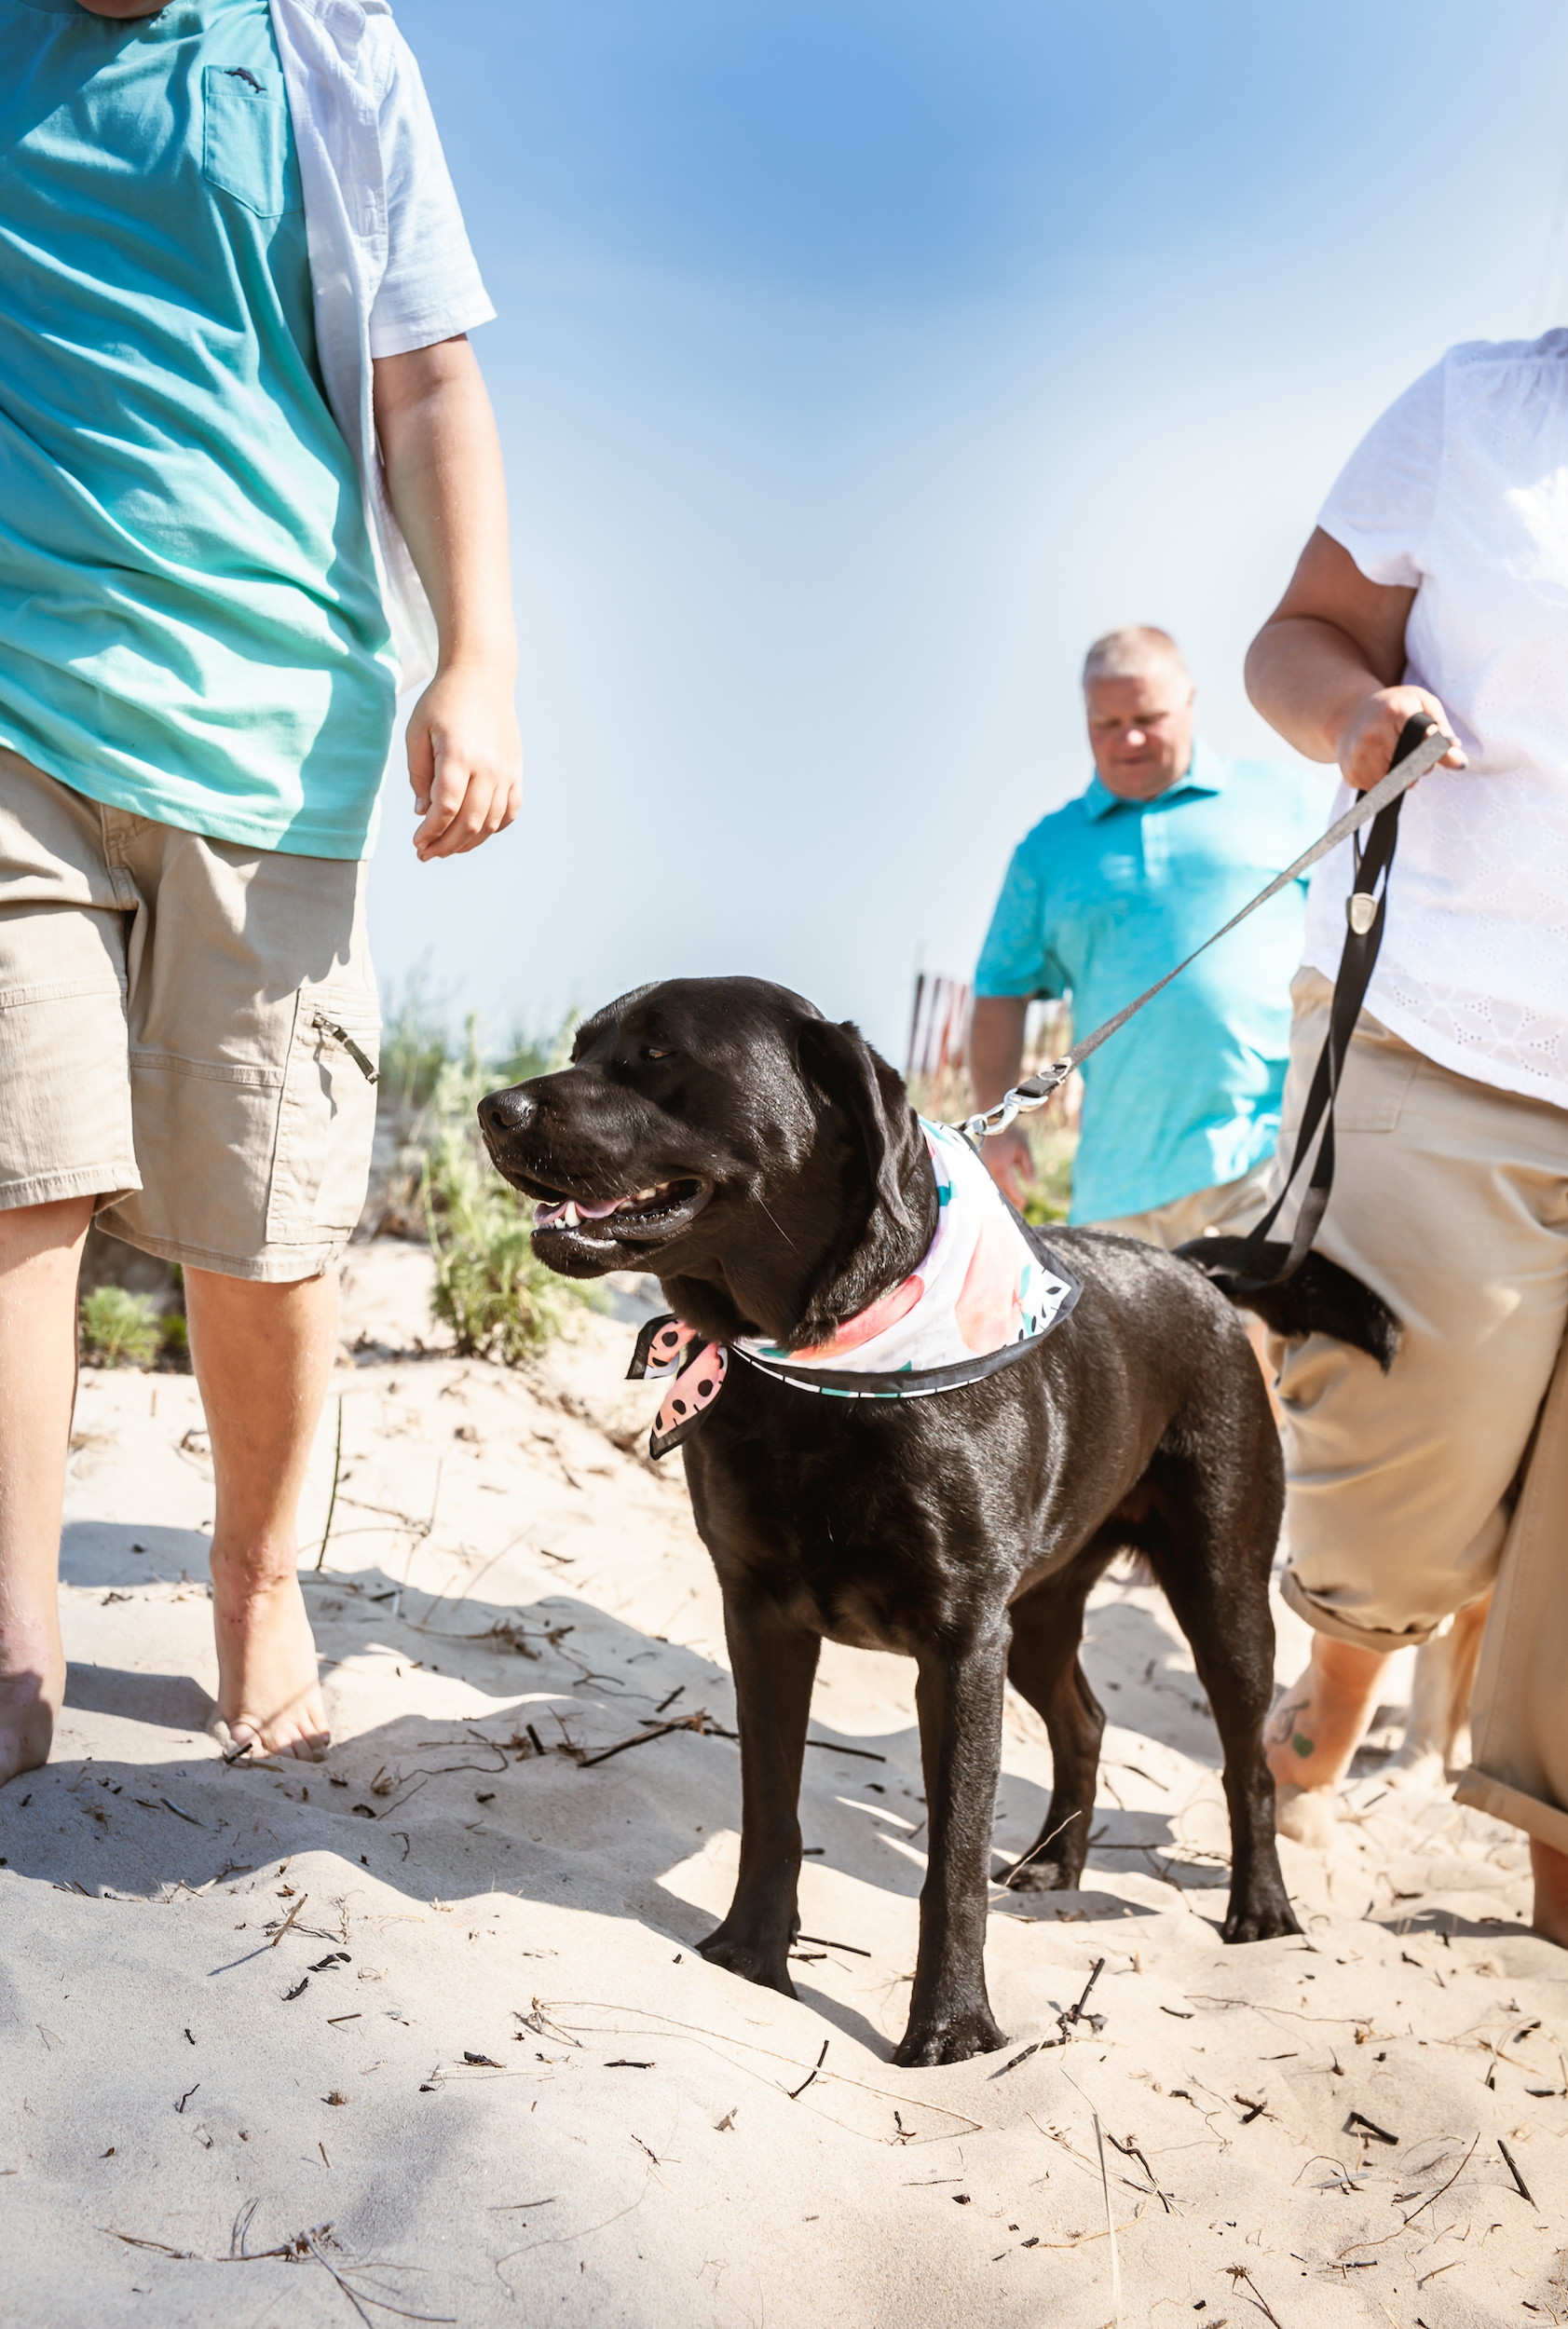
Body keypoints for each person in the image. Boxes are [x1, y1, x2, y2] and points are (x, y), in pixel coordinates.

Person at [0, 0, 521, 1786]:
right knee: (19, 1177)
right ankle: (14, 1624)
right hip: (12, 702)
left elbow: (429, 377)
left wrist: (481, 664)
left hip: (267, 724)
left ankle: (253, 1573)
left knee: (267, 1231)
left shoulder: (328, 57)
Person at [1246, 332, 1568, 1939]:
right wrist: (1353, 711)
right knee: (1399, 1496)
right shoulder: (1478, 411)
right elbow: (1292, 638)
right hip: (1445, 1025)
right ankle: (1315, 1729)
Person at [969, 627, 1329, 1246]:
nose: (1126, 738)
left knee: (1277, 1343)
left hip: (1268, 1154)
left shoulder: (1288, 800)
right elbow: (999, 991)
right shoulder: (1047, 851)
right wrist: (998, 1128)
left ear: (1188, 701)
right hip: (1117, 1190)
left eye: (1146, 717)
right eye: (1105, 721)